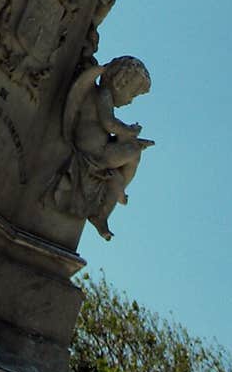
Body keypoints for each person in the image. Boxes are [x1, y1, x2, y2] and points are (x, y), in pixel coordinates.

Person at [50, 55, 154, 240]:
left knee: (116, 179)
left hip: (99, 150)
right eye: (132, 93)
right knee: (134, 152)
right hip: (94, 153)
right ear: (121, 82)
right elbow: (109, 124)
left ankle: (101, 215)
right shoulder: (103, 94)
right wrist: (129, 131)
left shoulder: (101, 96)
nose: (130, 101)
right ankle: (121, 193)